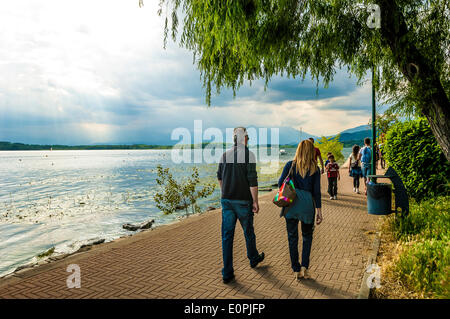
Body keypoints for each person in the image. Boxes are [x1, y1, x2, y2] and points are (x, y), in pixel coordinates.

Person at [217, 127, 265, 284]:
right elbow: (252, 181)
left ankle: (227, 273)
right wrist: (255, 201)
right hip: (243, 201)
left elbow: (219, 178)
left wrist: (225, 191)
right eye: (248, 138)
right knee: (248, 232)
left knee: (227, 237)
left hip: (227, 201)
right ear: (244, 138)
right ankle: (253, 258)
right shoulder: (248, 155)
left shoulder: (224, 155)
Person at [278, 140, 323, 280]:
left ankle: (295, 270)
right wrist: (319, 211)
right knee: (307, 237)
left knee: (292, 238)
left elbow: (280, 183)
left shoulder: (290, 165)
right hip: (307, 205)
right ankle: (305, 267)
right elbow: (317, 192)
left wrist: (292, 186)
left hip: (291, 204)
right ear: (311, 151)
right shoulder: (315, 168)